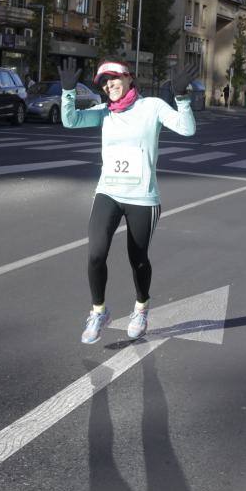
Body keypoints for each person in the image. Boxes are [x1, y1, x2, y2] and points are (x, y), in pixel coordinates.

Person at [59, 56, 198, 344]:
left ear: (129, 78)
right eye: (104, 82)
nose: (109, 85)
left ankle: (141, 308)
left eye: (114, 78)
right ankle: (99, 312)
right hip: (108, 191)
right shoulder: (104, 112)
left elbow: (187, 129)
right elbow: (70, 121)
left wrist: (182, 96)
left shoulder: (152, 107)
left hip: (142, 197)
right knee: (96, 253)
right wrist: (68, 92)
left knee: (138, 259)